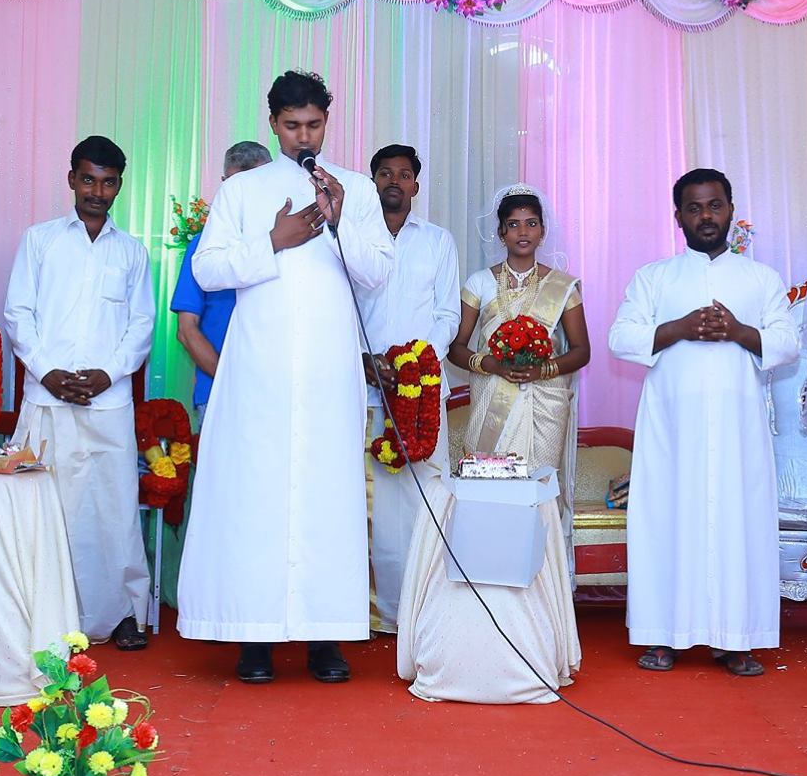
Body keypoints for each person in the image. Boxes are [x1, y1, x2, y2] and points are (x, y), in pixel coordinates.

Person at [177, 70, 394, 684]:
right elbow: (209, 270)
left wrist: (341, 219)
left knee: (328, 497)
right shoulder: (244, 190)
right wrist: (275, 240)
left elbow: (379, 273)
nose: (304, 136)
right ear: (273, 124)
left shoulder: (354, 188)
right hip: (260, 371)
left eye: (314, 125)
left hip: (327, 371)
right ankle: (254, 638)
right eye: (292, 125)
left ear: (328, 123)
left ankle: (326, 637)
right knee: (257, 498)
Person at [610, 169, 798, 676]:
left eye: (715, 205)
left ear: (731, 209)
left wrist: (738, 331)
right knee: (667, 519)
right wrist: (678, 328)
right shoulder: (654, 277)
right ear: (678, 217)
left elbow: (787, 342)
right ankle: (662, 634)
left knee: (738, 522)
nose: (706, 216)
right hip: (672, 427)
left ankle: (736, 638)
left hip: (739, 427)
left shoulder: (761, 278)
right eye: (694, 208)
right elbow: (621, 337)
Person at [5, 136, 154, 650]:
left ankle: (125, 613)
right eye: (88, 179)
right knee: (47, 510)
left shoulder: (132, 251)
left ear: (119, 186)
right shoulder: (40, 240)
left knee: (114, 509)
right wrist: (46, 371)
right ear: (71, 178)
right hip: (48, 398)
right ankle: (46, 615)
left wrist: (108, 374)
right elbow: (18, 313)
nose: (97, 191)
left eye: (108, 182)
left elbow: (141, 325)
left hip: (107, 402)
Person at [448, 186, 591, 557]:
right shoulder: (479, 283)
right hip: (491, 398)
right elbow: (456, 347)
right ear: (501, 232)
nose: (523, 232)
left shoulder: (563, 287)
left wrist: (543, 369)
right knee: (489, 485)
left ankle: (542, 576)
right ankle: (487, 564)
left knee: (539, 490)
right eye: (513, 224)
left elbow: (581, 351)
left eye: (531, 223)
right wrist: (490, 364)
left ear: (542, 231)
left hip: (546, 403)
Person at [359, 143, 461, 632]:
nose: (394, 182)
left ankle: (424, 612)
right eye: (385, 173)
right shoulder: (353, 239)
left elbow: (448, 314)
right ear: (372, 182)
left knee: (423, 499)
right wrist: (363, 360)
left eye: (403, 174)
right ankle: (368, 612)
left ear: (416, 185)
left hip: (422, 392)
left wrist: (416, 362)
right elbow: (342, 308)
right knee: (369, 502)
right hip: (362, 387)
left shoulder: (438, 241)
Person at [173, 141, 270, 425]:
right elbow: (186, 331)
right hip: (218, 392)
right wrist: (231, 380)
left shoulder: (288, 242)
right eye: (235, 186)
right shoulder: (203, 246)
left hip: (276, 393)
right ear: (223, 184)